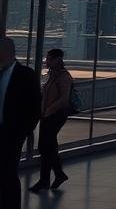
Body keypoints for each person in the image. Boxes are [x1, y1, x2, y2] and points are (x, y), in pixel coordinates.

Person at [0, 36, 42, 207]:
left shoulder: (25, 75)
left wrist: (23, 132)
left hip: (12, 134)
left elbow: (34, 107)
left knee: (8, 173)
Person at [29, 48, 74, 193]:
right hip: (47, 115)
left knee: (44, 146)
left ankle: (46, 179)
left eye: (48, 59)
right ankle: (57, 175)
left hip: (55, 115)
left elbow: (64, 99)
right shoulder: (53, 75)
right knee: (49, 146)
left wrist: (49, 110)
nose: (46, 61)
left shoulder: (64, 77)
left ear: (56, 60)